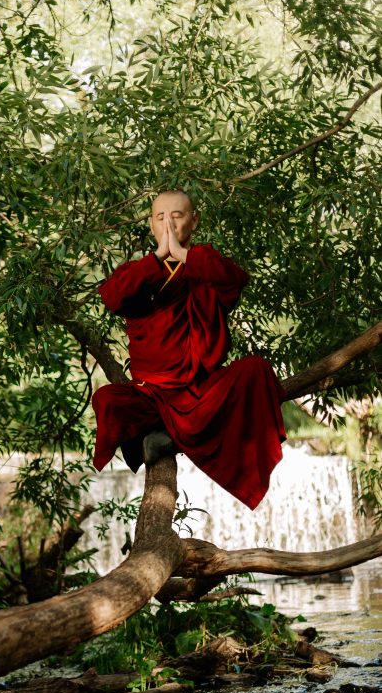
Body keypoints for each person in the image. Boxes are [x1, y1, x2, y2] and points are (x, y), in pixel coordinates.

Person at [91, 190, 286, 510]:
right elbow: (113, 297)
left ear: (194, 220)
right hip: (152, 394)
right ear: (151, 224)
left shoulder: (204, 263)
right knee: (106, 399)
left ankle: (165, 438)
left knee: (255, 369)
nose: (168, 223)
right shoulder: (136, 271)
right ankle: (171, 435)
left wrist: (182, 255)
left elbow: (234, 281)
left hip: (202, 390)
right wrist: (157, 258)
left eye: (177, 216)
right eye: (160, 217)